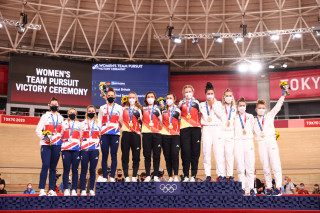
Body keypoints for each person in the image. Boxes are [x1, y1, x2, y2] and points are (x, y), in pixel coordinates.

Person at [253, 92, 286, 196]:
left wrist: (282, 96)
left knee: (275, 164)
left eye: (263, 107)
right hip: (261, 143)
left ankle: (278, 187)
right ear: (256, 109)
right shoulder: (253, 121)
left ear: (265, 109)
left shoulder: (269, 116)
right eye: (259, 108)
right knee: (265, 167)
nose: (261, 109)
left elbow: (277, 107)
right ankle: (268, 187)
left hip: (271, 141)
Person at [35, 97, 64, 196]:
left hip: (57, 145)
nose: (54, 105)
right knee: (45, 165)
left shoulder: (61, 118)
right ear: (49, 106)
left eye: (56, 103)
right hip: (46, 145)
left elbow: (63, 132)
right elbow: (38, 130)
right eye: (52, 104)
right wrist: (44, 137)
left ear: (58, 106)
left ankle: (51, 189)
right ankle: (42, 189)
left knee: (53, 167)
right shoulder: (45, 116)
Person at [98, 87, 123, 182]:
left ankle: (112, 176)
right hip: (104, 133)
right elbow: (99, 121)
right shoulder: (102, 108)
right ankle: (105, 176)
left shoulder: (119, 107)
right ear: (106, 96)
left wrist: (115, 128)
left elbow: (121, 121)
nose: (110, 97)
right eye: (109, 95)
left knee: (114, 155)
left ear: (115, 97)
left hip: (115, 134)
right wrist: (101, 131)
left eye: (112, 95)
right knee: (104, 155)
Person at [199, 82, 223, 183]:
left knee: (218, 153)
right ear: (205, 94)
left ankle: (220, 175)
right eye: (208, 93)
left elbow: (221, 115)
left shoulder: (218, 103)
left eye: (211, 93)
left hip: (216, 128)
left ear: (214, 94)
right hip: (206, 129)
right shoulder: (201, 105)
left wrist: (213, 105)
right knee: (206, 153)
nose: (210, 95)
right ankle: (208, 175)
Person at [178, 85, 201, 182]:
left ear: (193, 92)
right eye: (186, 91)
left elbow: (201, 114)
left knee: (195, 152)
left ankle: (193, 175)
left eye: (189, 91)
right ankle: (186, 175)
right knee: (185, 152)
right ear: (183, 93)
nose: (188, 93)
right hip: (184, 129)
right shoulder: (180, 103)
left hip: (195, 129)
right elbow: (177, 116)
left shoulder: (197, 102)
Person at [234, 97, 255, 195]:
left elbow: (254, 129)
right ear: (237, 107)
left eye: (243, 106)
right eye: (240, 106)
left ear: (246, 106)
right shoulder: (234, 117)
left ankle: (251, 188)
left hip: (248, 142)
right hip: (238, 142)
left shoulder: (250, 116)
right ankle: (241, 188)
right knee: (240, 167)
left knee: (250, 167)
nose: (242, 107)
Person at [121, 92, 143, 182]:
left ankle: (134, 176)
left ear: (136, 99)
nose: (131, 99)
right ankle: (126, 176)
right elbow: (119, 121)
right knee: (125, 156)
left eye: (133, 97)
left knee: (136, 156)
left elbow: (143, 122)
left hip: (136, 135)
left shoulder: (140, 109)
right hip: (126, 134)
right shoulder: (123, 109)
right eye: (129, 97)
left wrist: (139, 130)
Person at [141, 91, 162, 182]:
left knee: (157, 155)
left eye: (152, 96)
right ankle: (148, 175)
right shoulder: (142, 109)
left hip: (157, 134)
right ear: (146, 99)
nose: (150, 98)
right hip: (146, 134)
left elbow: (161, 121)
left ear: (154, 98)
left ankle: (156, 175)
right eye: (148, 96)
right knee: (147, 155)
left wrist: (158, 130)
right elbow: (139, 120)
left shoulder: (159, 109)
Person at [80, 105, 101, 196]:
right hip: (84, 149)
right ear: (87, 112)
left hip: (95, 149)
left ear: (95, 112)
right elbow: (80, 137)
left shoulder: (99, 123)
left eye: (93, 110)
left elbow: (101, 136)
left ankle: (91, 189)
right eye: (89, 111)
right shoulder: (83, 123)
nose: (91, 112)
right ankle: (83, 190)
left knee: (93, 170)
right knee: (84, 170)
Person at [61, 108, 81, 196]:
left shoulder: (79, 124)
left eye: (74, 112)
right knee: (66, 170)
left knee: (75, 170)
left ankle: (73, 190)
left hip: (76, 149)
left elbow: (81, 136)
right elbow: (60, 135)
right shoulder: (63, 123)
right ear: (68, 114)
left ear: (76, 114)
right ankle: (65, 189)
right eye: (70, 112)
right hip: (66, 149)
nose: (72, 114)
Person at [161, 93, 181, 182]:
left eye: (170, 98)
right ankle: (170, 176)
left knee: (175, 155)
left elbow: (181, 121)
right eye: (167, 98)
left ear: (174, 99)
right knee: (167, 156)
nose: (169, 99)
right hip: (165, 135)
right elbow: (160, 122)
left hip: (176, 135)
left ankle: (176, 175)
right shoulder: (163, 111)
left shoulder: (179, 110)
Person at [219, 88, 237, 182]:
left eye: (230, 96)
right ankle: (221, 175)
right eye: (227, 96)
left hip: (230, 133)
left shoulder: (235, 108)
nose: (229, 97)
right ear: (224, 97)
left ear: (232, 97)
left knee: (229, 155)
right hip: (221, 132)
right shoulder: (220, 107)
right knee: (221, 155)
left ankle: (230, 175)